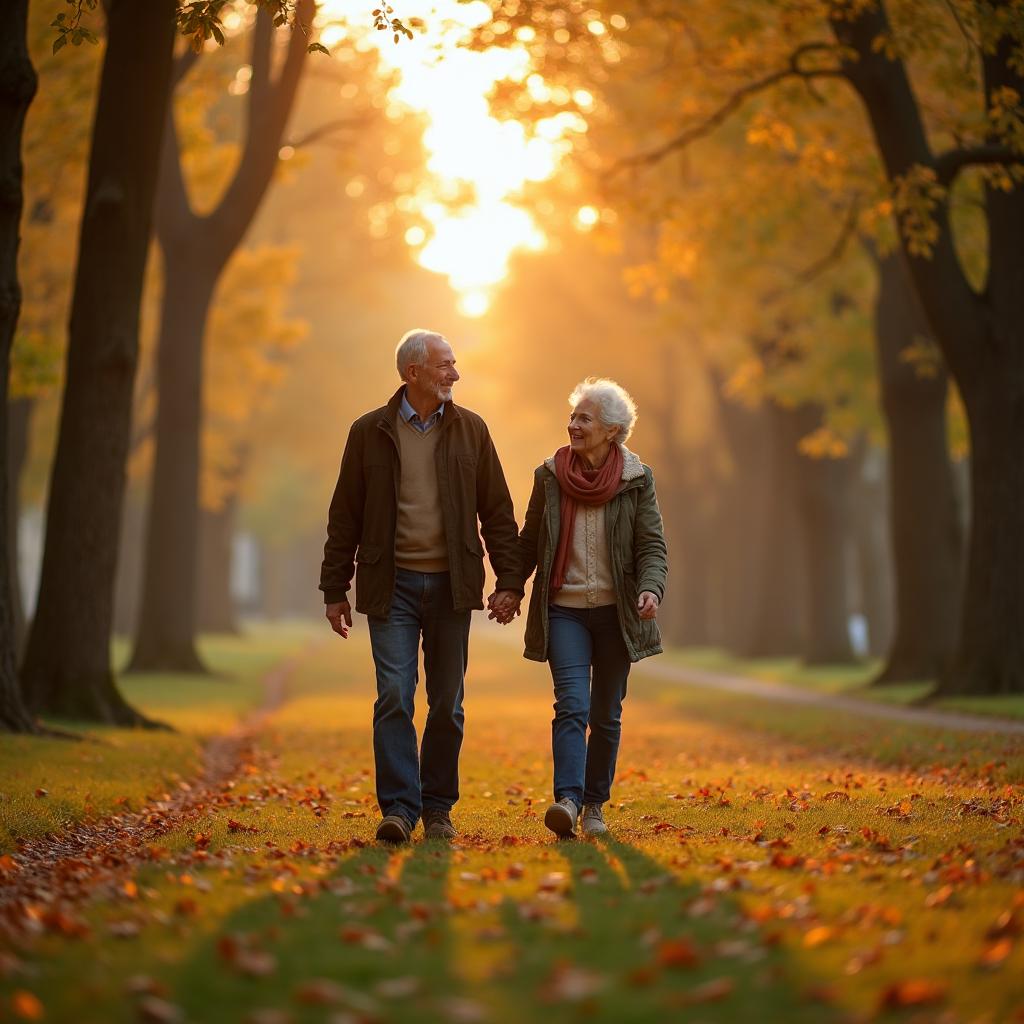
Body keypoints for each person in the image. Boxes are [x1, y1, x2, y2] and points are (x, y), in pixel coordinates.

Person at [320, 329, 523, 844]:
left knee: (448, 701)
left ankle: (437, 808)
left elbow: (497, 511)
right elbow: (345, 514)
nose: (454, 374)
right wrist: (334, 588)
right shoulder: (369, 432)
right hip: (393, 586)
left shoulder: (471, 430)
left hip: (453, 587)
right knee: (394, 694)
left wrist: (510, 582)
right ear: (413, 373)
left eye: (453, 365)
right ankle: (399, 809)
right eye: (444, 366)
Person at [501, 377, 668, 838]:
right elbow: (530, 540)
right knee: (571, 705)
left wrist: (651, 588)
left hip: (617, 614)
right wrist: (510, 587)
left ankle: (595, 804)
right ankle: (568, 801)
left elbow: (651, 546)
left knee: (606, 714)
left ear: (611, 430)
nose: (572, 425)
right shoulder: (550, 476)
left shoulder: (637, 480)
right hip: (565, 611)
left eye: (584, 418)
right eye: (573, 416)